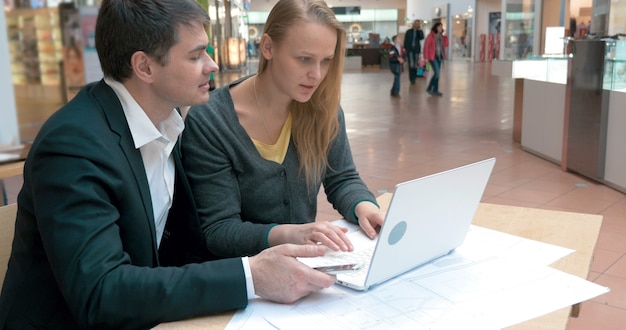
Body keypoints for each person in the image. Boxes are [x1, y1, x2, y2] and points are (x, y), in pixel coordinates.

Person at [0, 0, 337, 329]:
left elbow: (181, 243)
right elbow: (100, 293)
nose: (213, 65)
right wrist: (251, 276)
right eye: (195, 56)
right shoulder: (73, 147)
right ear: (144, 67)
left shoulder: (166, 118)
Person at [181, 0, 385, 258]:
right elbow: (220, 231)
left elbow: (342, 178)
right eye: (304, 59)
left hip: (304, 268)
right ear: (268, 47)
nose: (317, 74)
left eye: (326, 61)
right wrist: (291, 234)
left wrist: (364, 207)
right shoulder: (210, 122)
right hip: (245, 279)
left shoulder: (323, 108)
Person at [423, 22, 448, 97]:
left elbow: (446, 45)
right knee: (437, 73)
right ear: (436, 27)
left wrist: (445, 37)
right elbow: (426, 47)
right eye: (439, 27)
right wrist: (426, 57)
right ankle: (429, 88)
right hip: (432, 57)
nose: (441, 28)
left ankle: (435, 90)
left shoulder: (441, 36)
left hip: (439, 56)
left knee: (438, 74)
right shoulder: (430, 36)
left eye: (441, 27)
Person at [403, 19, 424, 85]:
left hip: (416, 50)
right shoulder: (409, 31)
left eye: (418, 23)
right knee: (411, 64)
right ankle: (411, 78)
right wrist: (405, 49)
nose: (416, 24)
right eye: (415, 23)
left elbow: (421, 37)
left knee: (415, 65)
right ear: (413, 24)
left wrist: (418, 30)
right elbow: (405, 41)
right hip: (410, 50)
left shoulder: (420, 31)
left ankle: (414, 78)